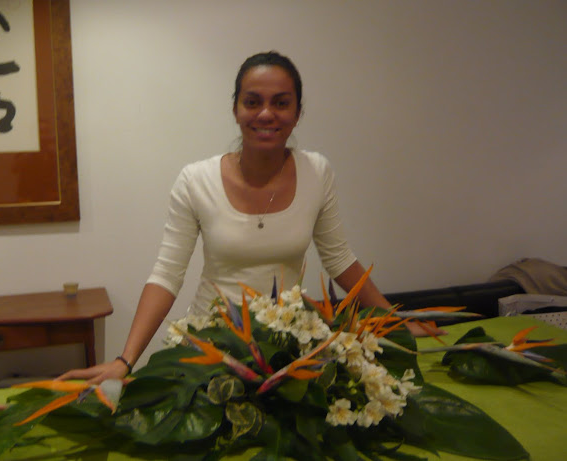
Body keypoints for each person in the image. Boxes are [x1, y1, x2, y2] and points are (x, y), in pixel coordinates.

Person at [58, 51, 400, 384]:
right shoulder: (196, 180)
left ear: (298, 113)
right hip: (210, 348)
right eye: (252, 102)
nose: (266, 114)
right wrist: (125, 360)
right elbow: (166, 275)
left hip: (286, 350)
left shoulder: (317, 172)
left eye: (281, 103)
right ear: (236, 109)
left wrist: (394, 320)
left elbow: (339, 259)